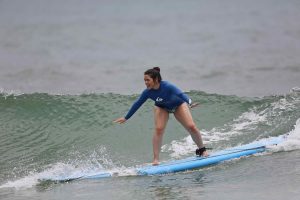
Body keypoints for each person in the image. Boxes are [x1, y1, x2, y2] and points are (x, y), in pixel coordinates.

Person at [114, 67, 208, 165]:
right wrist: (126, 117)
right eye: (144, 80)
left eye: (148, 80)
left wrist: (190, 102)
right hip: (162, 107)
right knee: (159, 129)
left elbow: (180, 94)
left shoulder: (167, 86)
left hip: (178, 105)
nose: (145, 82)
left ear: (156, 79)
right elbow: (138, 103)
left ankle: (202, 150)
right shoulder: (147, 92)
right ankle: (156, 159)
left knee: (191, 126)